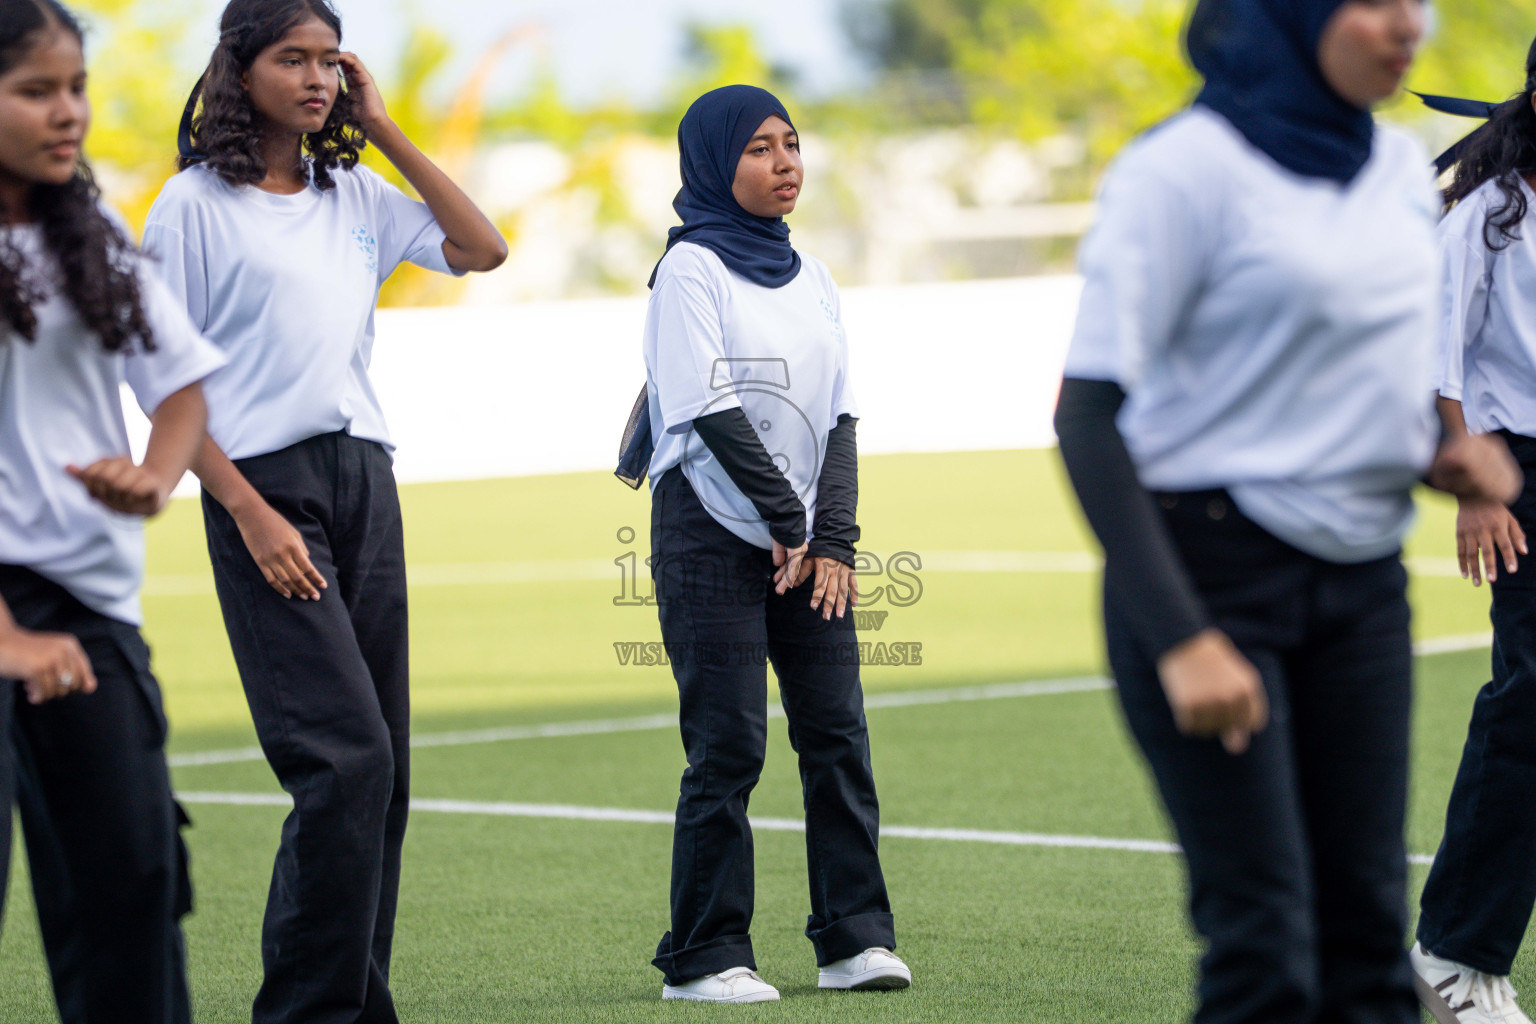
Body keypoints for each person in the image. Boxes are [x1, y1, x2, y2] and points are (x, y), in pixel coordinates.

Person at [1053, 1, 1521, 1022]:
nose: (1411, 25)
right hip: (1209, 578)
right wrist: (1184, 640)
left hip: (1359, 585)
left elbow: (1358, 373)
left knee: (1365, 940)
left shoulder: (1398, 168)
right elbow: (1087, 419)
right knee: (1267, 942)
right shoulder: (1183, 171)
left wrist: (1442, 455)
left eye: (1419, 3)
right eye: (1377, 2)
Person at [140, 2, 506, 1021]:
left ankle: (358, 1006)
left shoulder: (353, 190)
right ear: (239, 70)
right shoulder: (191, 206)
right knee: (346, 762)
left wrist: (384, 129)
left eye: (327, 63)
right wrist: (251, 513)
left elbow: (484, 249)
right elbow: (163, 383)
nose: (314, 80)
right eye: (290, 60)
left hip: (362, 483)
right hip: (263, 488)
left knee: (382, 773)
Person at [639, 84, 909, 1003]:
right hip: (708, 529)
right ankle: (705, 957)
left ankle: (854, 941)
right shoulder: (689, 272)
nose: (785, 161)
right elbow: (704, 406)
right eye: (758, 148)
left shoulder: (817, 276)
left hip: (805, 543)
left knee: (836, 734)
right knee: (729, 745)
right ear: (717, 163)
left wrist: (832, 539)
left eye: (791, 143)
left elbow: (838, 416)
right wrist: (788, 527)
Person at [0, 2, 227, 1021]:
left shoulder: (92, 235)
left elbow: (180, 386)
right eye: (36, 90)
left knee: (134, 883)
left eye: (76, 88)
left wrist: (156, 474)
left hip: (89, 619)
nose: (69, 113)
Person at [1411, 35, 1536, 1024]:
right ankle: (1455, 950)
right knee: (1530, 698)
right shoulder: (1495, 211)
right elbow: (1443, 354)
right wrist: (1476, 488)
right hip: (1517, 470)